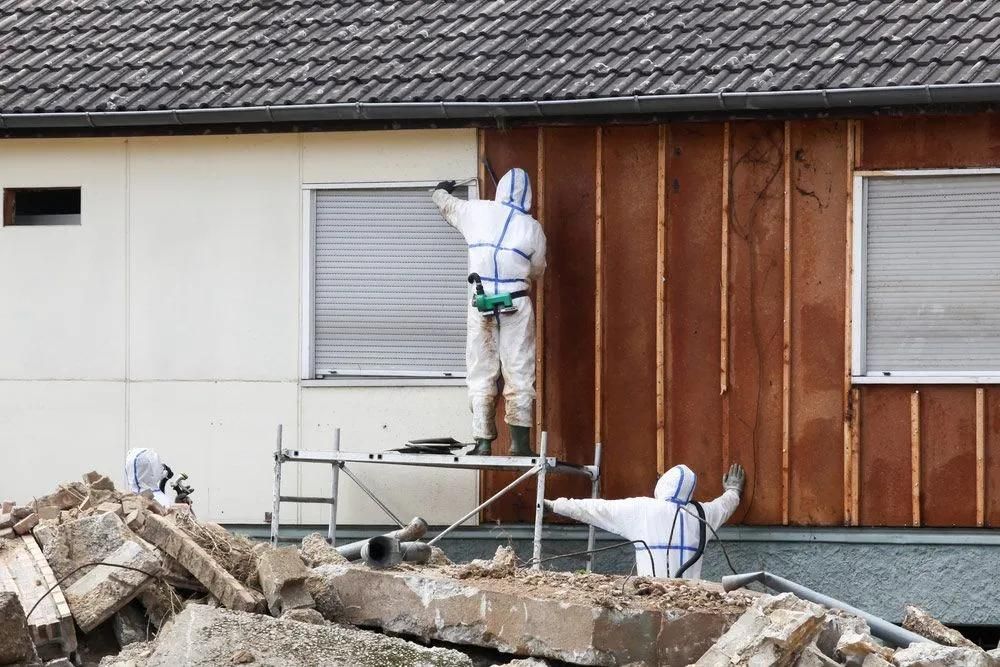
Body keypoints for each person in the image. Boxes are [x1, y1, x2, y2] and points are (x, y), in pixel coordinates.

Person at [432, 169, 546, 457]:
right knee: (519, 371)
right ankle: (520, 445)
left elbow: (445, 204)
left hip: (480, 302)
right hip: (516, 302)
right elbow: (538, 269)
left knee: (481, 371)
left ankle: (483, 442)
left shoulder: (476, 211)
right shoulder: (531, 227)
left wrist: (441, 189)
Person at [544, 463, 746, 579]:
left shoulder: (643, 509)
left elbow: (595, 509)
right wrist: (733, 490)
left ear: (663, 484)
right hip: (690, 598)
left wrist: (554, 505)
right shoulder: (702, 513)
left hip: (650, 596)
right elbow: (725, 505)